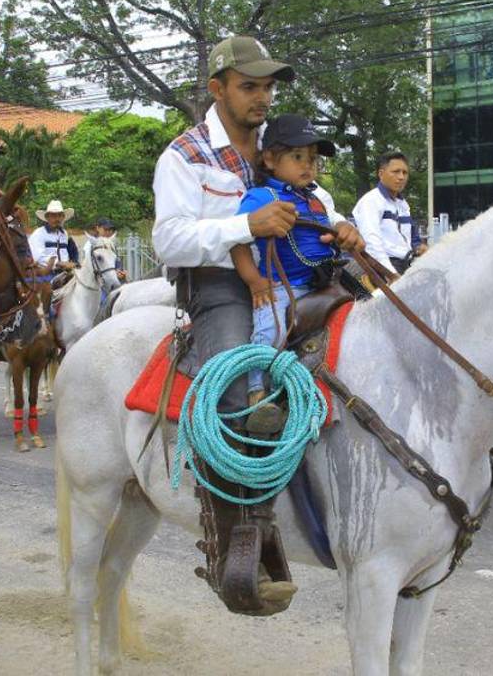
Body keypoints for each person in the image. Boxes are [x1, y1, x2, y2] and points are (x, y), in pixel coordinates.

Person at [151, 35, 363, 614]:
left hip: (300, 278)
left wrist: (344, 227)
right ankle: (240, 548)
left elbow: (319, 203)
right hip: (223, 286)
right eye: (249, 86)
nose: (262, 97)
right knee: (233, 391)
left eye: (267, 87)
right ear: (216, 89)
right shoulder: (186, 155)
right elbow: (168, 239)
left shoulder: (281, 145)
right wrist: (245, 226)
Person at [229, 114, 337, 412]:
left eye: (312, 158)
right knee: (270, 332)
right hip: (283, 286)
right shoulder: (261, 197)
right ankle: (257, 392)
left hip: (324, 284)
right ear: (270, 159)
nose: (308, 165)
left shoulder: (314, 198)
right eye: (298, 157)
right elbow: (237, 240)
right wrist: (254, 281)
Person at [351, 152, 424, 275]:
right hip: (382, 268)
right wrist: (391, 274)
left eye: (405, 173)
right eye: (396, 172)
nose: (401, 177)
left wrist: (419, 248)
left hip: (406, 265)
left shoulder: (403, 204)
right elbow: (372, 244)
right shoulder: (371, 200)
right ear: (381, 174)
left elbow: (413, 239)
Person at [28, 199, 79, 274]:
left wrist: (73, 263)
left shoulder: (64, 234)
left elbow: (72, 252)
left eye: (59, 215)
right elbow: (37, 257)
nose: (57, 219)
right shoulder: (39, 233)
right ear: (47, 217)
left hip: (65, 272)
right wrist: (58, 263)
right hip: (46, 273)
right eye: (53, 215)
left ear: (63, 217)